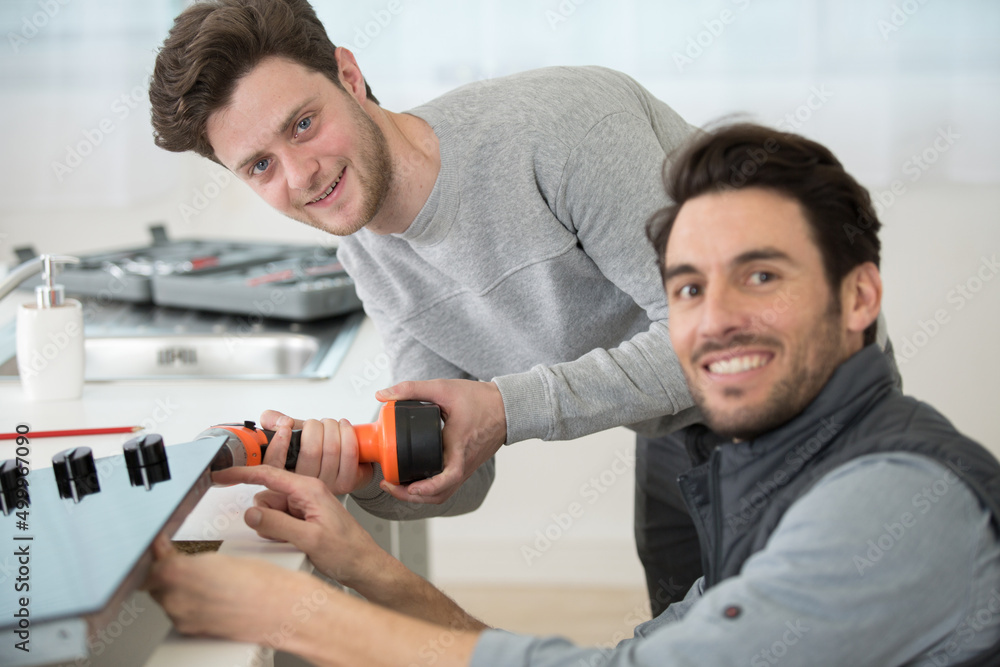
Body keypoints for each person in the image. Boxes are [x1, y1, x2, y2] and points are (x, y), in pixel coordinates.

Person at [147, 122, 1000, 666]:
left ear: (859, 297)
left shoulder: (893, 499)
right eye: (689, 288)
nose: (714, 321)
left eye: (762, 275)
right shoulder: (766, 476)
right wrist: (361, 564)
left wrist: (297, 614)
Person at [149, 0, 711, 612]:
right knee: (682, 643)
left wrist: (505, 409)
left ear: (349, 76)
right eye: (261, 165)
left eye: (303, 124)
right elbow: (461, 473)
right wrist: (365, 467)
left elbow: (716, 340)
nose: (301, 175)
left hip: (786, 395)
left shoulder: (564, 130)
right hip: (674, 428)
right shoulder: (370, 256)